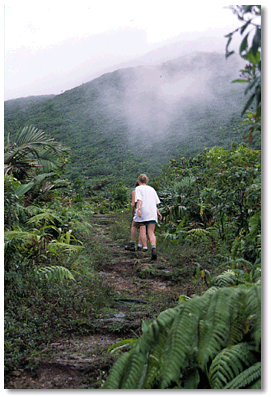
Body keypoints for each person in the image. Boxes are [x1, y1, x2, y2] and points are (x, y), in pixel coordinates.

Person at [125, 174, 162, 260]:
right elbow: (156, 203)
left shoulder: (137, 189)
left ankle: (132, 244)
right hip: (152, 212)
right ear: (146, 181)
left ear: (138, 181)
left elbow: (138, 200)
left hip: (142, 211)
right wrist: (158, 213)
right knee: (151, 232)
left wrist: (136, 210)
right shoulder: (152, 189)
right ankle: (153, 249)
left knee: (134, 224)